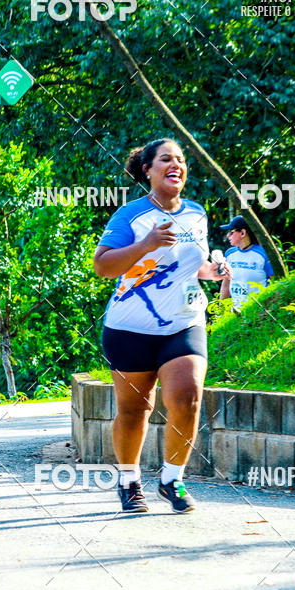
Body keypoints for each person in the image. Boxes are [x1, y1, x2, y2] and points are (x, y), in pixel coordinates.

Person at [93, 138, 229, 514]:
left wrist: (212, 272)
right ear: (148, 170)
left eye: (181, 160)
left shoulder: (196, 213)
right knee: (135, 409)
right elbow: (103, 266)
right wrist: (146, 244)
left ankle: (172, 479)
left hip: (183, 322)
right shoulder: (130, 216)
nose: (176, 165)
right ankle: (129, 480)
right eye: (166, 159)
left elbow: (192, 265)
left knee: (187, 396)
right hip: (129, 326)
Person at [220, 215, 273, 310]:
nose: (228, 235)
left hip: (258, 311)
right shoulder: (229, 254)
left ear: (243, 233)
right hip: (235, 314)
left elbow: (275, 282)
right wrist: (220, 311)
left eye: (231, 232)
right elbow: (226, 284)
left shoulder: (263, 254)